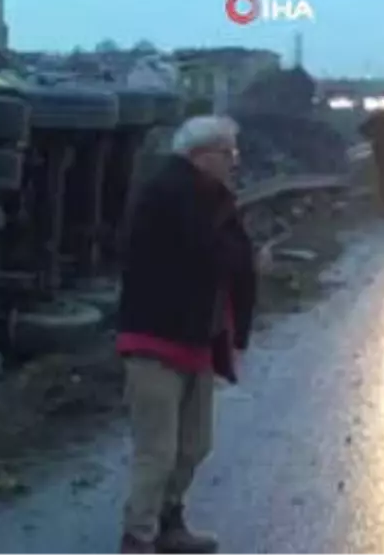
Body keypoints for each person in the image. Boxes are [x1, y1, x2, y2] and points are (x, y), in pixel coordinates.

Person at [115, 115, 268, 555]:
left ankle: (169, 521)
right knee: (157, 450)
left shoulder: (212, 198)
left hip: (195, 339)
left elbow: (233, 258)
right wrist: (244, 261)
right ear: (202, 154)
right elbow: (212, 254)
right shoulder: (169, 194)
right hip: (154, 337)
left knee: (195, 444)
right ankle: (138, 536)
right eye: (229, 153)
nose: (234, 162)